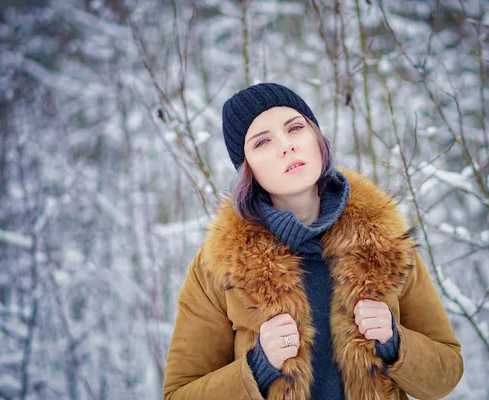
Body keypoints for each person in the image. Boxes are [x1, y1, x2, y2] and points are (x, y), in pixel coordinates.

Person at [163, 83, 463, 400]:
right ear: (246, 168)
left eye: (295, 128)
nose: (286, 146)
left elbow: (447, 372)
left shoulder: (384, 239)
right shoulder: (218, 266)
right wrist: (258, 367)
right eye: (262, 141)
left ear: (317, 138)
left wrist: (394, 342)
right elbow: (179, 393)